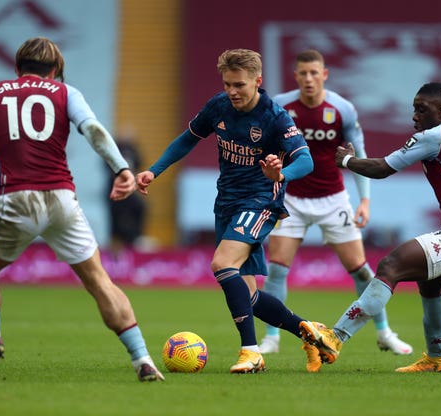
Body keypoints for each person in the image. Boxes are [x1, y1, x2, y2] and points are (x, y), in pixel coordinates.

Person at [0, 37, 164, 382]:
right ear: (55, 70)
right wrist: (122, 169)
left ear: (16, 68)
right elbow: (94, 130)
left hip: (15, 199)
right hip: (61, 199)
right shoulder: (65, 93)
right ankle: (143, 359)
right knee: (100, 281)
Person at [137, 48, 327, 374]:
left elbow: (306, 160)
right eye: (227, 84)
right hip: (226, 202)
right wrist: (154, 170)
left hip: (260, 203)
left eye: (239, 85)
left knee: (223, 265)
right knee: (249, 295)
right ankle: (310, 333)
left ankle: (251, 352)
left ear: (258, 81)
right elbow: (188, 139)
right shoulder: (219, 106)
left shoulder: (275, 117)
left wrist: (281, 174)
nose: (232, 92)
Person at [300, 82, 441, 372]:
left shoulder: (433, 137)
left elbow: (382, 168)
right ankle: (436, 359)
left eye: (422, 110)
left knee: (391, 266)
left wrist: (347, 160)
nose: (414, 117)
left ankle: (334, 337)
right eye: (414, 109)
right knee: (430, 286)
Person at [259, 49, 413, 365]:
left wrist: (365, 200)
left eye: (314, 73)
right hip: (290, 198)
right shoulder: (281, 106)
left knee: (361, 271)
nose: (309, 79)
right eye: (303, 73)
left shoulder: (342, 109)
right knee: (276, 268)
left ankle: (384, 333)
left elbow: (358, 152)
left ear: (324, 74)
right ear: (296, 76)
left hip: (333, 199)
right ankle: (271, 338)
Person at [105, 127, 147, 253]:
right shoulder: (113, 150)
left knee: (139, 207)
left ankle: (136, 238)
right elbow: (106, 166)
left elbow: (140, 163)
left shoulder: (133, 150)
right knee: (116, 218)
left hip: (130, 188)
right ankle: (115, 244)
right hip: (115, 189)